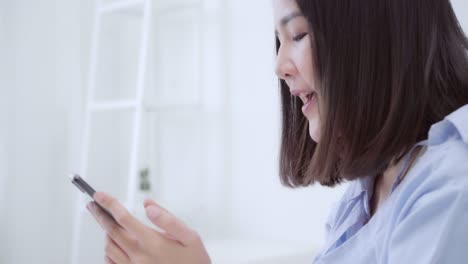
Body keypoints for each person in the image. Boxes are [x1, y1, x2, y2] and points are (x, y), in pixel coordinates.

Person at [87, 0, 468, 263]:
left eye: (298, 35)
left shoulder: (450, 190)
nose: (279, 65)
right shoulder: (368, 191)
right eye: (279, 39)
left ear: (374, 36)